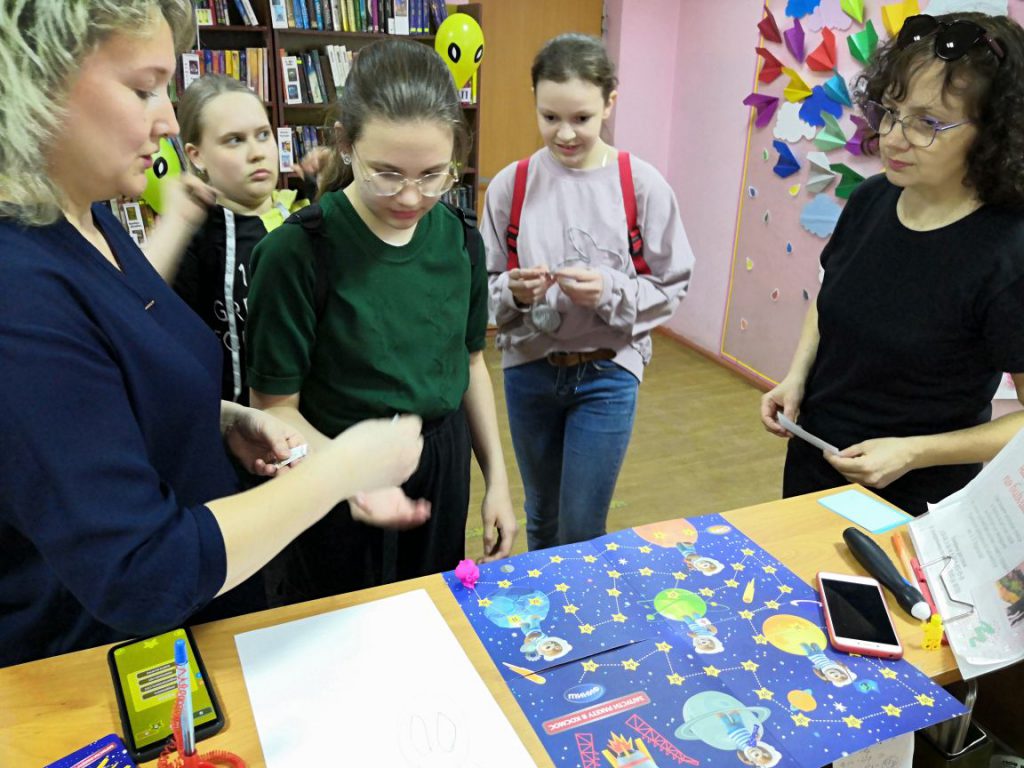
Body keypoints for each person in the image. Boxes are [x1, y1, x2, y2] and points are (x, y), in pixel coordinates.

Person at [0, 0, 426, 668]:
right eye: (143, 90)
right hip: (93, 670)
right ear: (41, 82)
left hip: (201, 629)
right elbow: (140, 569)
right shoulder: (20, 290)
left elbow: (106, 393)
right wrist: (342, 468)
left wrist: (216, 420)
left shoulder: (89, 217)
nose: (169, 122)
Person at [245, 38, 516, 603]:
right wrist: (349, 480)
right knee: (336, 621)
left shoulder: (460, 239)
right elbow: (275, 407)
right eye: (386, 174)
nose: (411, 197)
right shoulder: (296, 253)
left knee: (431, 613)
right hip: (328, 467)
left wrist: (497, 479)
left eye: (433, 175)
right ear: (345, 144)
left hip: (439, 465)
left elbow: (470, 363)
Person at [761, 13, 1024, 515]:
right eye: (891, 111)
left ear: (993, 131)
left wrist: (912, 452)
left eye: (927, 123)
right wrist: (797, 376)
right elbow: (831, 296)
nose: (893, 138)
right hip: (816, 462)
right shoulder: (872, 197)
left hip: (914, 497)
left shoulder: (1008, 252)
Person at [481, 34, 695, 551]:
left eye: (581, 117)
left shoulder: (640, 185)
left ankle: (583, 603)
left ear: (609, 103)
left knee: (581, 528)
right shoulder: (512, 185)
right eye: (549, 116)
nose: (565, 133)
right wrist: (515, 292)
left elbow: (672, 284)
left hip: (608, 373)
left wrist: (609, 290)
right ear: (534, 101)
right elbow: (481, 289)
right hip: (529, 371)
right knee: (542, 517)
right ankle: (546, 605)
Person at [164, 74, 309, 405]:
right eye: (234, 140)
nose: (257, 153)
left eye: (263, 135)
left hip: (312, 417)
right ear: (196, 155)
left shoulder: (304, 216)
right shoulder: (192, 237)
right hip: (235, 421)